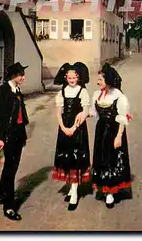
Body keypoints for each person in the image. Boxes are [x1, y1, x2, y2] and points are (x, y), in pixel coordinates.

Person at [0, 62, 29, 221]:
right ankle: (9, 206)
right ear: (13, 76)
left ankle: (1, 194)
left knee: (10, 166)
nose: (23, 77)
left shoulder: (17, 90)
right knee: (10, 169)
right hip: (8, 135)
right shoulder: (1, 92)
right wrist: (0, 137)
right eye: (20, 75)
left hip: (19, 133)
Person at [91, 63, 132, 209]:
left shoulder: (118, 96)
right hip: (101, 132)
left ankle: (110, 193)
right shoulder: (97, 95)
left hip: (114, 132)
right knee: (101, 158)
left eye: (100, 80)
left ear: (107, 81)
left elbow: (122, 118)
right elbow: (93, 114)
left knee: (112, 159)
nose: (97, 82)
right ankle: (104, 187)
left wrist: (119, 136)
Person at [52, 62, 91, 210]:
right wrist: (63, 127)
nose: (72, 80)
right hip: (64, 129)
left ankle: (75, 192)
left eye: (74, 78)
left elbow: (86, 111)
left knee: (76, 159)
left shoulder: (82, 92)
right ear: (66, 78)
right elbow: (58, 113)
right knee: (66, 157)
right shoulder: (62, 92)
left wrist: (74, 128)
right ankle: (70, 187)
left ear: (78, 77)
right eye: (69, 78)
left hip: (78, 129)